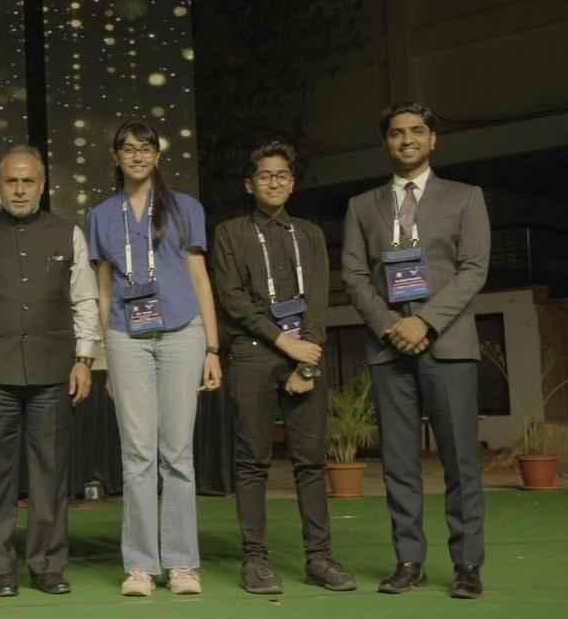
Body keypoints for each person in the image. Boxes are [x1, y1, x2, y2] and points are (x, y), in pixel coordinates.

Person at [341, 101, 489, 600]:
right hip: (389, 349)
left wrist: (424, 321)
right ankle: (408, 561)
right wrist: (390, 326)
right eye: (397, 132)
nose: (407, 139)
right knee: (399, 463)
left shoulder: (466, 198)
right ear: (386, 142)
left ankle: (467, 564)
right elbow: (354, 275)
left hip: (449, 344)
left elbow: (474, 268)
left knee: (460, 461)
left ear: (432, 140)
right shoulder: (362, 206)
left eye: (417, 131)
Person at [211, 141, 355, 595]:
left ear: (292, 183)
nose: (274, 183)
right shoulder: (230, 233)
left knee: (310, 461)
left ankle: (320, 558)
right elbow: (232, 299)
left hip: (305, 354)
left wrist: (305, 361)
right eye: (265, 175)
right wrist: (283, 342)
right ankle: (256, 560)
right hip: (253, 353)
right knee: (252, 461)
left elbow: (319, 299)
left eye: (282, 175)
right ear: (249, 184)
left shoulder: (309, 234)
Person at [85, 120, 221, 598]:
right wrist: (107, 356)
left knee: (177, 453)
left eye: (146, 148)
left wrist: (212, 348)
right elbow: (103, 290)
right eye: (128, 149)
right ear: (116, 157)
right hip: (127, 338)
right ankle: (140, 565)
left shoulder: (185, 208)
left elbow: (200, 277)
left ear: (158, 156)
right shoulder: (101, 215)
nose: (138, 156)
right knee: (138, 454)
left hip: (183, 333)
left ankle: (182, 563)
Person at [0, 145, 100, 598]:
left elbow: (85, 300)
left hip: (53, 371)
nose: (20, 189)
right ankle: (1, 570)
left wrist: (84, 359)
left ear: (42, 186)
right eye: (12, 181)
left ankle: (47, 565)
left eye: (28, 181)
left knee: (50, 473)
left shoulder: (68, 234)